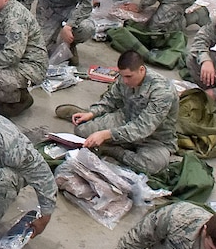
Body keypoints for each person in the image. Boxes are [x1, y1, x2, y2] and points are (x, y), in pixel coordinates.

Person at [67, 50, 179, 178]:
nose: (125, 81)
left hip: (154, 139)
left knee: (150, 165)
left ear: (141, 70)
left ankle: (113, 150)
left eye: (129, 77)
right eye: (122, 76)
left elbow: (142, 128)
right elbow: (111, 99)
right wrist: (91, 113)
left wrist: (106, 135)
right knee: (82, 130)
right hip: (126, 118)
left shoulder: (162, 92)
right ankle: (88, 115)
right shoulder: (125, 78)